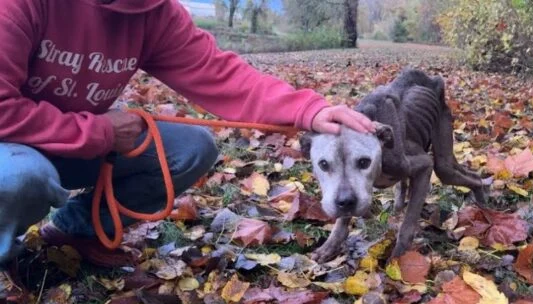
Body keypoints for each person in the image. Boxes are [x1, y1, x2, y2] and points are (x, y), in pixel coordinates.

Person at [0, 0, 374, 273]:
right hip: (11, 145)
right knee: (20, 177)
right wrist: (98, 131)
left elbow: (218, 73)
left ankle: (75, 231)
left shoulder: (152, 11)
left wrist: (309, 110)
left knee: (191, 149)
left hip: (77, 142)